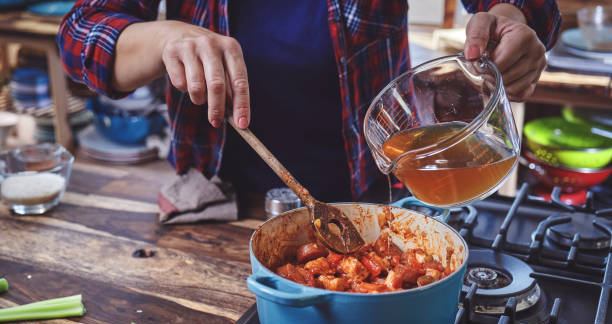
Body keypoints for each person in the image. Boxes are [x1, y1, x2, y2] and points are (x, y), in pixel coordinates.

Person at [58, 1, 561, 203]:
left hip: (378, 200)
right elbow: (81, 35)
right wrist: (163, 37)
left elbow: (529, 7)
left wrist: (513, 18)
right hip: (220, 209)